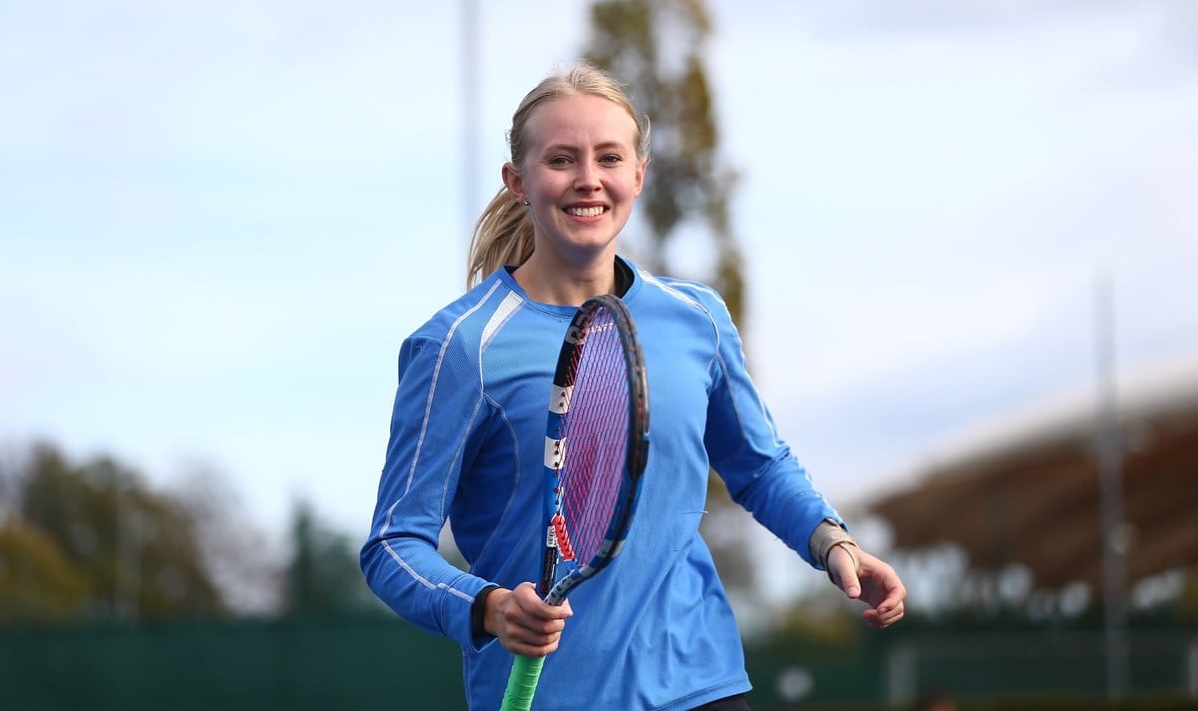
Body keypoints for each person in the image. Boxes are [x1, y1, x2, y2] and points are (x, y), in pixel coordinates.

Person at [360, 62, 906, 710]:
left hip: (702, 685)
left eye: (609, 157)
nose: (588, 179)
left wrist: (831, 540)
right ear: (517, 182)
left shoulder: (696, 318)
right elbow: (394, 544)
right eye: (561, 159)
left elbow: (758, 467)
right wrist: (489, 607)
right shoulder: (459, 346)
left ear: (638, 174)